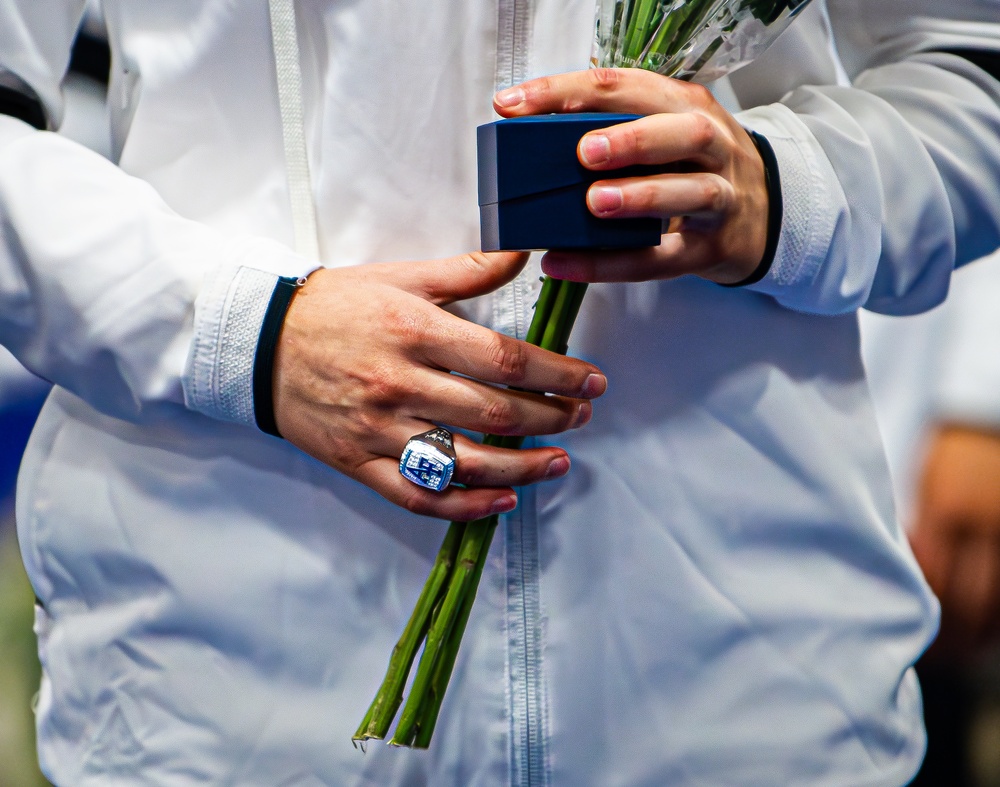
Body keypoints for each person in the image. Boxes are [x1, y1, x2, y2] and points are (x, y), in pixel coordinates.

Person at [1, 1, 1000, 784]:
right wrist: (239, 333)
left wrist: (780, 190)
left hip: (739, 673)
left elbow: (967, 68)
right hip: (224, 670)